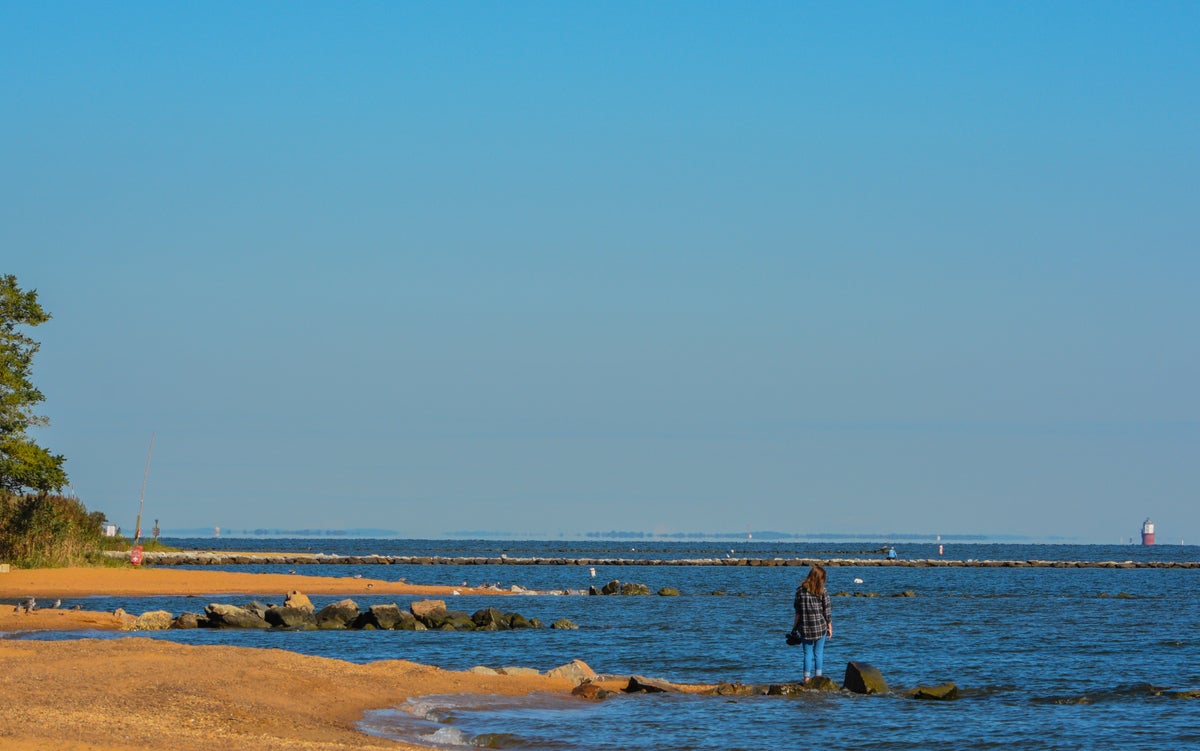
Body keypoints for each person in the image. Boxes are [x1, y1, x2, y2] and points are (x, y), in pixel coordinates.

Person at [790, 565, 833, 683]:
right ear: (820, 579)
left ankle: (806, 678)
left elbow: (797, 612)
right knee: (818, 653)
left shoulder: (800, 591)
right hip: (820, 626)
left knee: (807, 653)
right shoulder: (823, 591)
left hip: (805, 628)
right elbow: (827, 610)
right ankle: (818, 677)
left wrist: (794, 628)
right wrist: (829, 625)